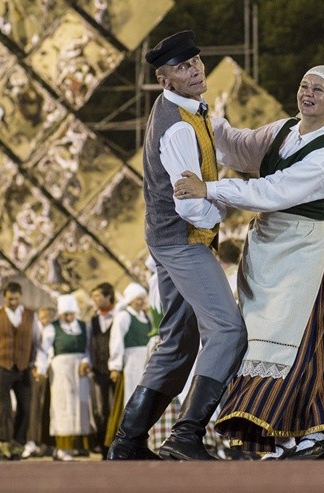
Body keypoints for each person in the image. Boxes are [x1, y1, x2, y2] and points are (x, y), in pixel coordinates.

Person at [175, 65, 324, 459]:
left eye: (318, 90)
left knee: (301, 341)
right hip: (270, 249)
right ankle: (282, 436)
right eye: (304, 85)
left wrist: (211, 188)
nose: (307, 93)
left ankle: (304, 432)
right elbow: (239, 145)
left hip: (304, 254)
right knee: (262, 338)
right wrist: (200, 110)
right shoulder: (284, 130)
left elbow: (273, 191)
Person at [107, 30, 248, 461]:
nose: (196, 70)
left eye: (198, 62)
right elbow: (190, 203)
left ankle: (127, 442)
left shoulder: (186, 110)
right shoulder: (177, 127)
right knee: (228, 330)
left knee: (178, 341)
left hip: (169, 240)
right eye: (184, 68)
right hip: (184, 239)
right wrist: (219, 205)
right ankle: (186, 436)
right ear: (166, 80)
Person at [35, 294, 92, 461]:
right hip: (60, 371)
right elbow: (43, 351)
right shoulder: (53, 328)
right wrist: (40, 368)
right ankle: (62, 448)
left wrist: (85, 361)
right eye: (65, 314)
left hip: (79, 372)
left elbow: (88, 349)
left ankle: (76, 446)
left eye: (71, 314)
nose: (68, 317)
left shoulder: (83, 326)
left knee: (80, 407)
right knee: (62, 407)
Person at [0, 281, 41, 460]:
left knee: (25, 406)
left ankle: (17, 444)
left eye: (15, 299)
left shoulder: (31, 316)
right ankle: (2, 444)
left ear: (20, 296)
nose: (12, 302)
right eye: (9, 299)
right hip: (1, 366)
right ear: (4, 297)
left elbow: (38, 341)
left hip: (24, 368)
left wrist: (38, 364)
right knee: (2, 407)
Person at [108, 283, 152, 408]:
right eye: (138, 299)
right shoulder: (124, 316)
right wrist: (115, 366)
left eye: (143, 298)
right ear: (130, 300)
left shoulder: (146, 317)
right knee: (133, 393)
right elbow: (116, 340)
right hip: (132, 361)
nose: (142, 302)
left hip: (147, 361)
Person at [22, 305, 56, 459]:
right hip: (34, 371)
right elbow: (37, 349)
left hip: (49, 372)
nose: (45, 320)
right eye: (42, 317)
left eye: (48, 317)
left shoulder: (52, 330)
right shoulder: (34, 329)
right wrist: (36, 368)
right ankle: (30, 441)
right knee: (33, 407)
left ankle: (45, 442)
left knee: (46, 408)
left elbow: (48, 350)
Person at [88, 282, 116, 458]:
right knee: (100, 411)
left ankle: (118, 446)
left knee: (119, 409)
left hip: (116, 371)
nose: (95, 300)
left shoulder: (120, 316)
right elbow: (89, 345)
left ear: (108, 296)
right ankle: (104, 448)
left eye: (98, 296)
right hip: (98, 371)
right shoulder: (93, 320)